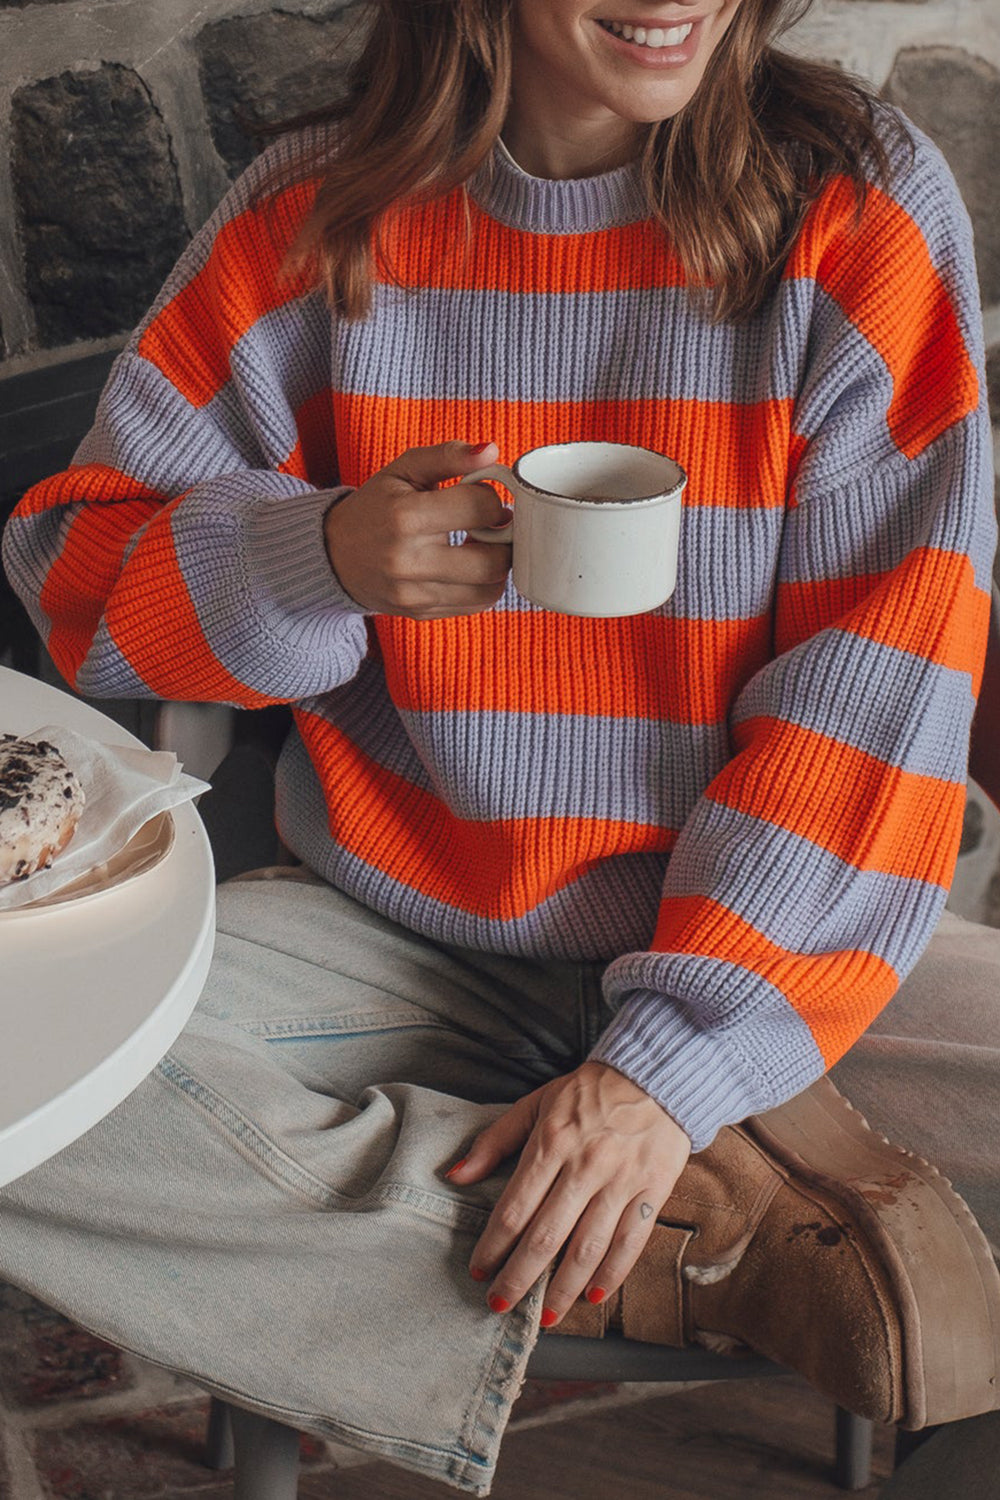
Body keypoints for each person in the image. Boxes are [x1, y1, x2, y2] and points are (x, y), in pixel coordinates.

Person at [2, 0, 999, 1492]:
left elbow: (880, 678)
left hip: (784, 957)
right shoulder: (315, 212)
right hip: (393, 936)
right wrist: (317, 558)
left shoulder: (859, 206)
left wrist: (665, 1072)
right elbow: (73, 574)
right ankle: (677, 1250)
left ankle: (610, 1185)